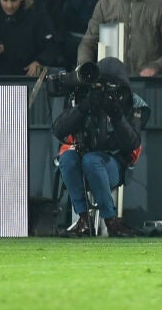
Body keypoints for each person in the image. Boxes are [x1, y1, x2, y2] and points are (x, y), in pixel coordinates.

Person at [53, 57, 145, 238]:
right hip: (84, 157)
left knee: (92, 160)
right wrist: (83, 107)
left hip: (115, 164)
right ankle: (83, 219)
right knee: (67, 158)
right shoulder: (82, 96)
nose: (104, 90)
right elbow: (59, 130)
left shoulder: (133, 103)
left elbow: (133, 143)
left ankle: (111, 221)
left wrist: (116, 115)